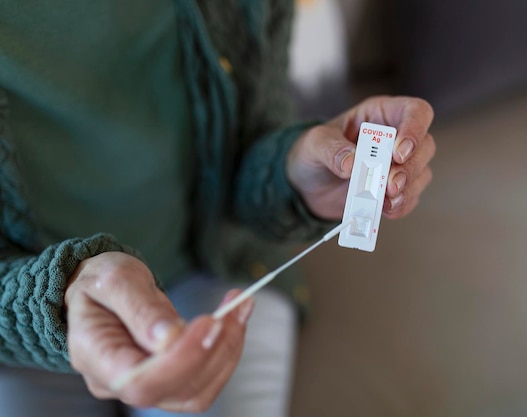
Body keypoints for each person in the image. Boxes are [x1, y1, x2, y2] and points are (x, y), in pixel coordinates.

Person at [0, 0, 435, 416]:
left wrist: (291, 174)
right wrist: (55, 301)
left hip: (215, 264)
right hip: (16, 318)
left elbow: (252, 132)